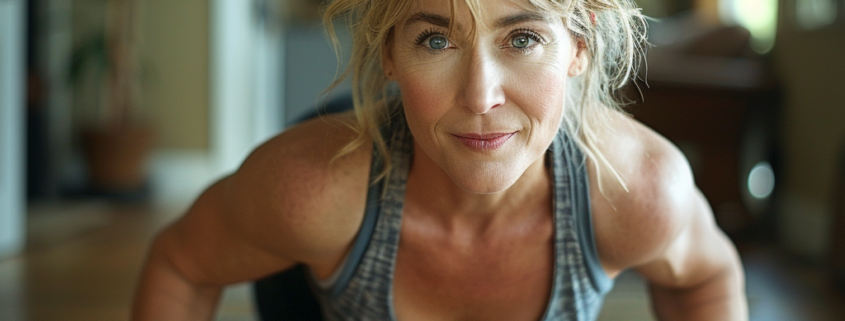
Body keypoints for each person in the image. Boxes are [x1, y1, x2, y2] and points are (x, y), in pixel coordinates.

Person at [132, 0, 748, 319]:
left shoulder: (637, 188)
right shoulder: (309, 191)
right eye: (436, 39)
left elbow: (707, 278)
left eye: (524, 38)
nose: (481, 96)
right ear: (390, 55)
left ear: (578, 47)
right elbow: (182, 265)